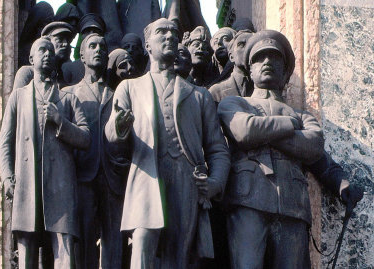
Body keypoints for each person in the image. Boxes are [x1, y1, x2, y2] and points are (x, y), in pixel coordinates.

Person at [217, 29, 362, 269]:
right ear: (250, 70)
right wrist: (288, 125)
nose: (267, 63)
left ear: (285, 72)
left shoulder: (302, 114)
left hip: (292, 206)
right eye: (260, 58)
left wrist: (340, 183)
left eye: (274, 59)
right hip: (248, 200)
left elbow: (315, 149)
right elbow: (244, 131)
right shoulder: (235, 103)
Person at [105, 18, 230, 269]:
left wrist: (215, 183)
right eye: (161, 32)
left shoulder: (198, 95)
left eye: (173, 32)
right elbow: (111, 137)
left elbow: (218, 149)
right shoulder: (129, 88)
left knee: (179, 254)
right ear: (148, 45)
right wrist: (120, 127)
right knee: (142, 243)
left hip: (186, 178)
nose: (170, 36)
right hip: (146, 174)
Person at [0, 37, 90, 268]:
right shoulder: (18, 98)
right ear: (31, 58)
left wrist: (61, 121)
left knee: (64, 251)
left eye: (51, 50)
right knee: (27, 249)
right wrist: (8, 177)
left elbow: (85, 138)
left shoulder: (68, 99)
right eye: (42, 50)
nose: (47, 53)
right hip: (28, 186)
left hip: (60, 187)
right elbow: (5, 142)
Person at [63, 33, 130, 269]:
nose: (99, 49)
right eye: (92, 46)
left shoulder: (118, 96)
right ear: (82, 55)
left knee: (114, 243)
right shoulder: (69, 94)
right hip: (82, 176)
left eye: (102, 46)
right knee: (83, 242)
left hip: (112, 176)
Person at [13, 22, 75, 90]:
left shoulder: (68, 75)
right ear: (47, 42)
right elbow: (18, 99)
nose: (65, 44)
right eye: (59, 40)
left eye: (68, 41)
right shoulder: (28, 73)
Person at [209, 30, 254, 103]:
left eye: (251, 46)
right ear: (231, 56)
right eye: (241, 44)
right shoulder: (216, 91)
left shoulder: (267, 88)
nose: (247, 49)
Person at [62, 13, 106, 85]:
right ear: (81, 36)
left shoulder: (110, 68)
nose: (91, 34)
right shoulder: (68, 68)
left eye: (96, 31)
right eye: (87, 31)